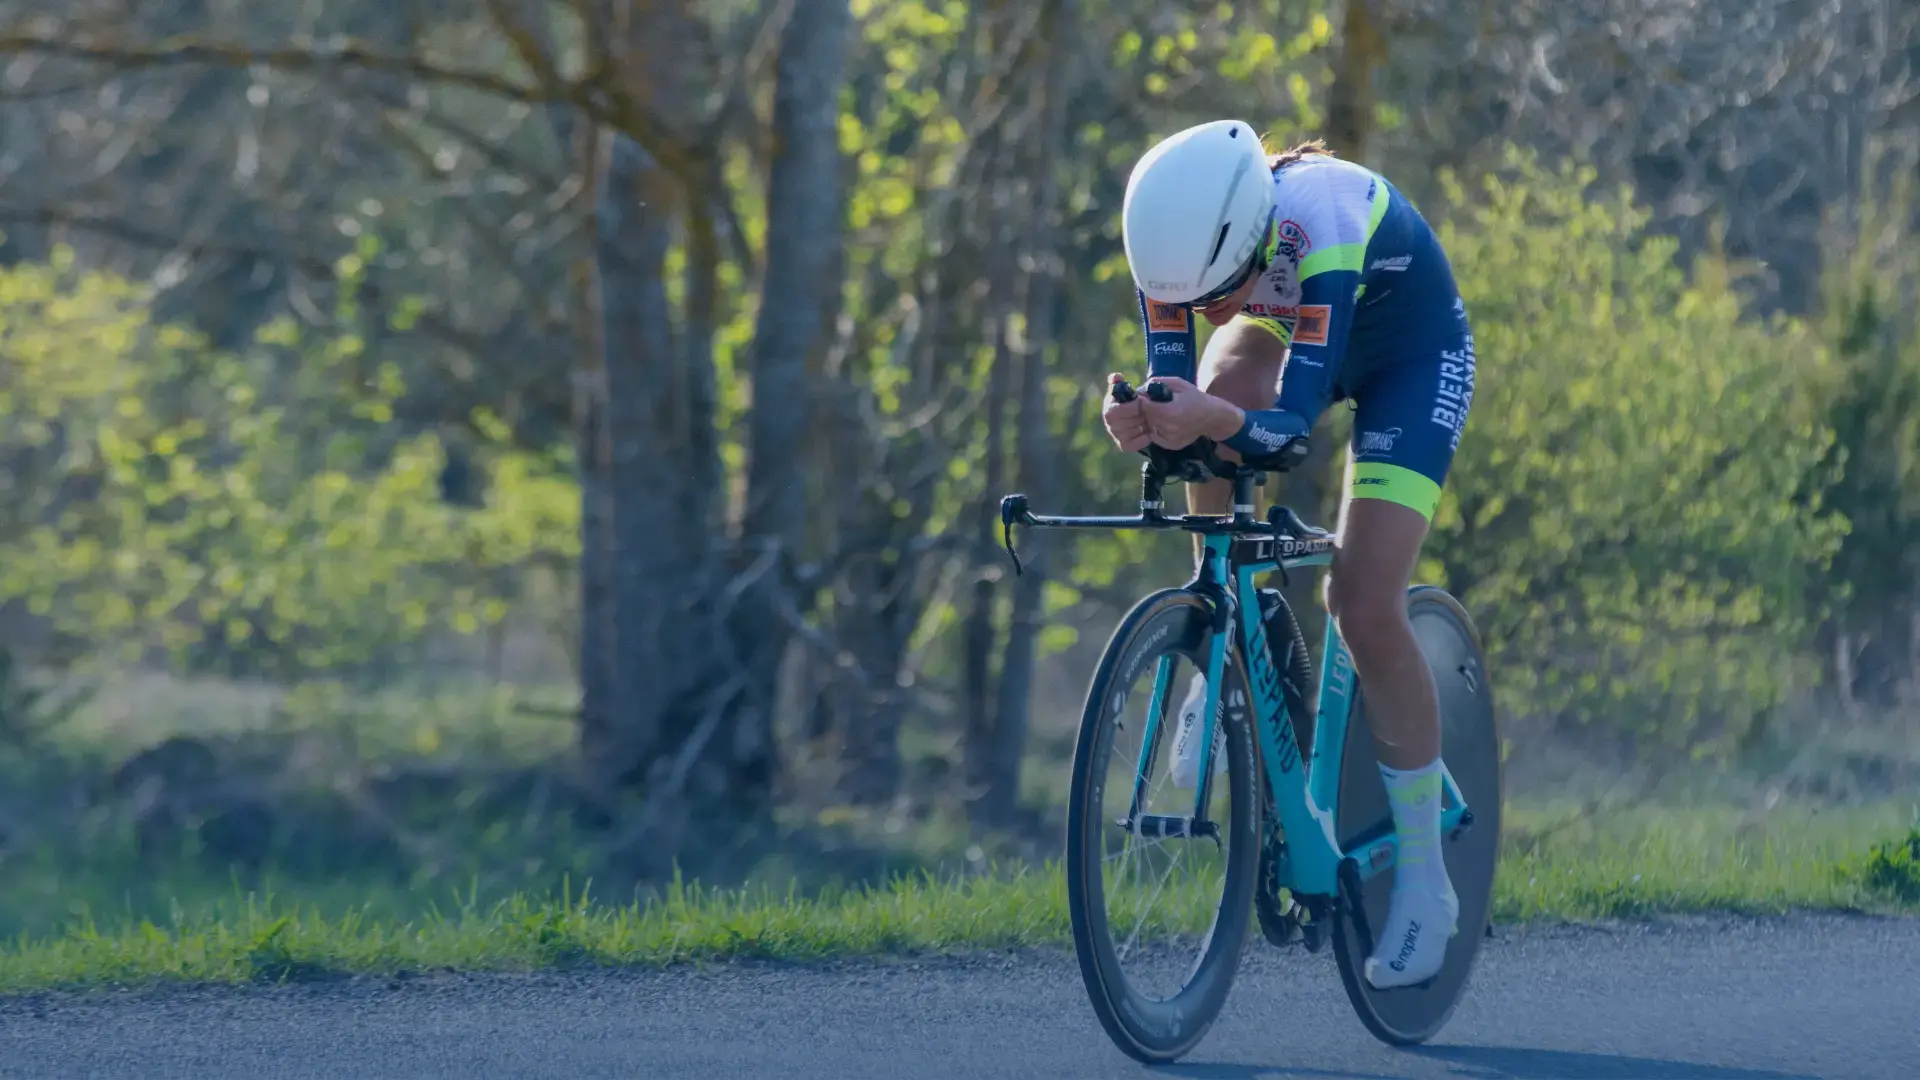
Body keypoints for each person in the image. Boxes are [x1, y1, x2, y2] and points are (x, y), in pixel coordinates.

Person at [1102, 119, 1477, 990]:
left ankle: (1424, 876)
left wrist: (1209, 417)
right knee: (1198, 416)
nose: (1206, 314)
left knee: (1363, 600)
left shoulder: (1323, 222)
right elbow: (1177, 396)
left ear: (1251, 244)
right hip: (1293, 319)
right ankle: (1225, 648)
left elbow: (1286, 433)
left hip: (1407, 356)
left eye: (1218, 296)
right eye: (1192, 303)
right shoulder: (1175, 248)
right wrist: (1146, 416)